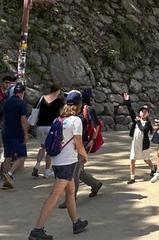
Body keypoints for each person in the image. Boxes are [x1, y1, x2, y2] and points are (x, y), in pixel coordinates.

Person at [28, 90, 89, 240]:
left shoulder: (59, 119)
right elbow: (79, 143)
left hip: (57, 160)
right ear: (79, 105)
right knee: (55, 195)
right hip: (67, 161)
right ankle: (37, 229)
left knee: (70, 191)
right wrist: (85, 155)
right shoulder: (76, 121)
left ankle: (76, 223)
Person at [60, 89, 103, 208]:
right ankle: (95, 184)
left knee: (74, 172)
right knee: (79, 170)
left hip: (82, 143)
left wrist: (92, 141)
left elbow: (96, 125)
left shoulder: (88, 110)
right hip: (71, 143)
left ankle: (71, 199)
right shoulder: (70, 112)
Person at [0, 82, 29, 190]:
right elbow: (23, 119)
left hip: (6, 133)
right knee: (22, 156)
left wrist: (3, 127)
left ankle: (5, 181)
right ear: (22, 93)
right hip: (17, 133)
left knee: (7, 157)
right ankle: (9, 174)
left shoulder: (5, 102)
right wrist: (26, 134)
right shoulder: (22, 103)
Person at [32, 82, 64, 178]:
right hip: (51, 127)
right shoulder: (59, 101)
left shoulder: (41, 98)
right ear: (58, 90)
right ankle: (47, 171)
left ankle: (37, 165)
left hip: (40, 126)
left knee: (42, 147)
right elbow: (61, 114)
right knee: (49, 149)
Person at [123, 93, 155, 184]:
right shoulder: (136, 119)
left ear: (148, 113)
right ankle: (132, 177)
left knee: (146, 159)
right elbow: (130, 111)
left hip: (143, 145)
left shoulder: (147, 123)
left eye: (145, 112)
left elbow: (143, 129)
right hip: (135, 143)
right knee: (132, 159)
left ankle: (153, 168)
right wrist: (127, 101)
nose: (143, 113)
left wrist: (139, 122)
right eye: (141, 111)